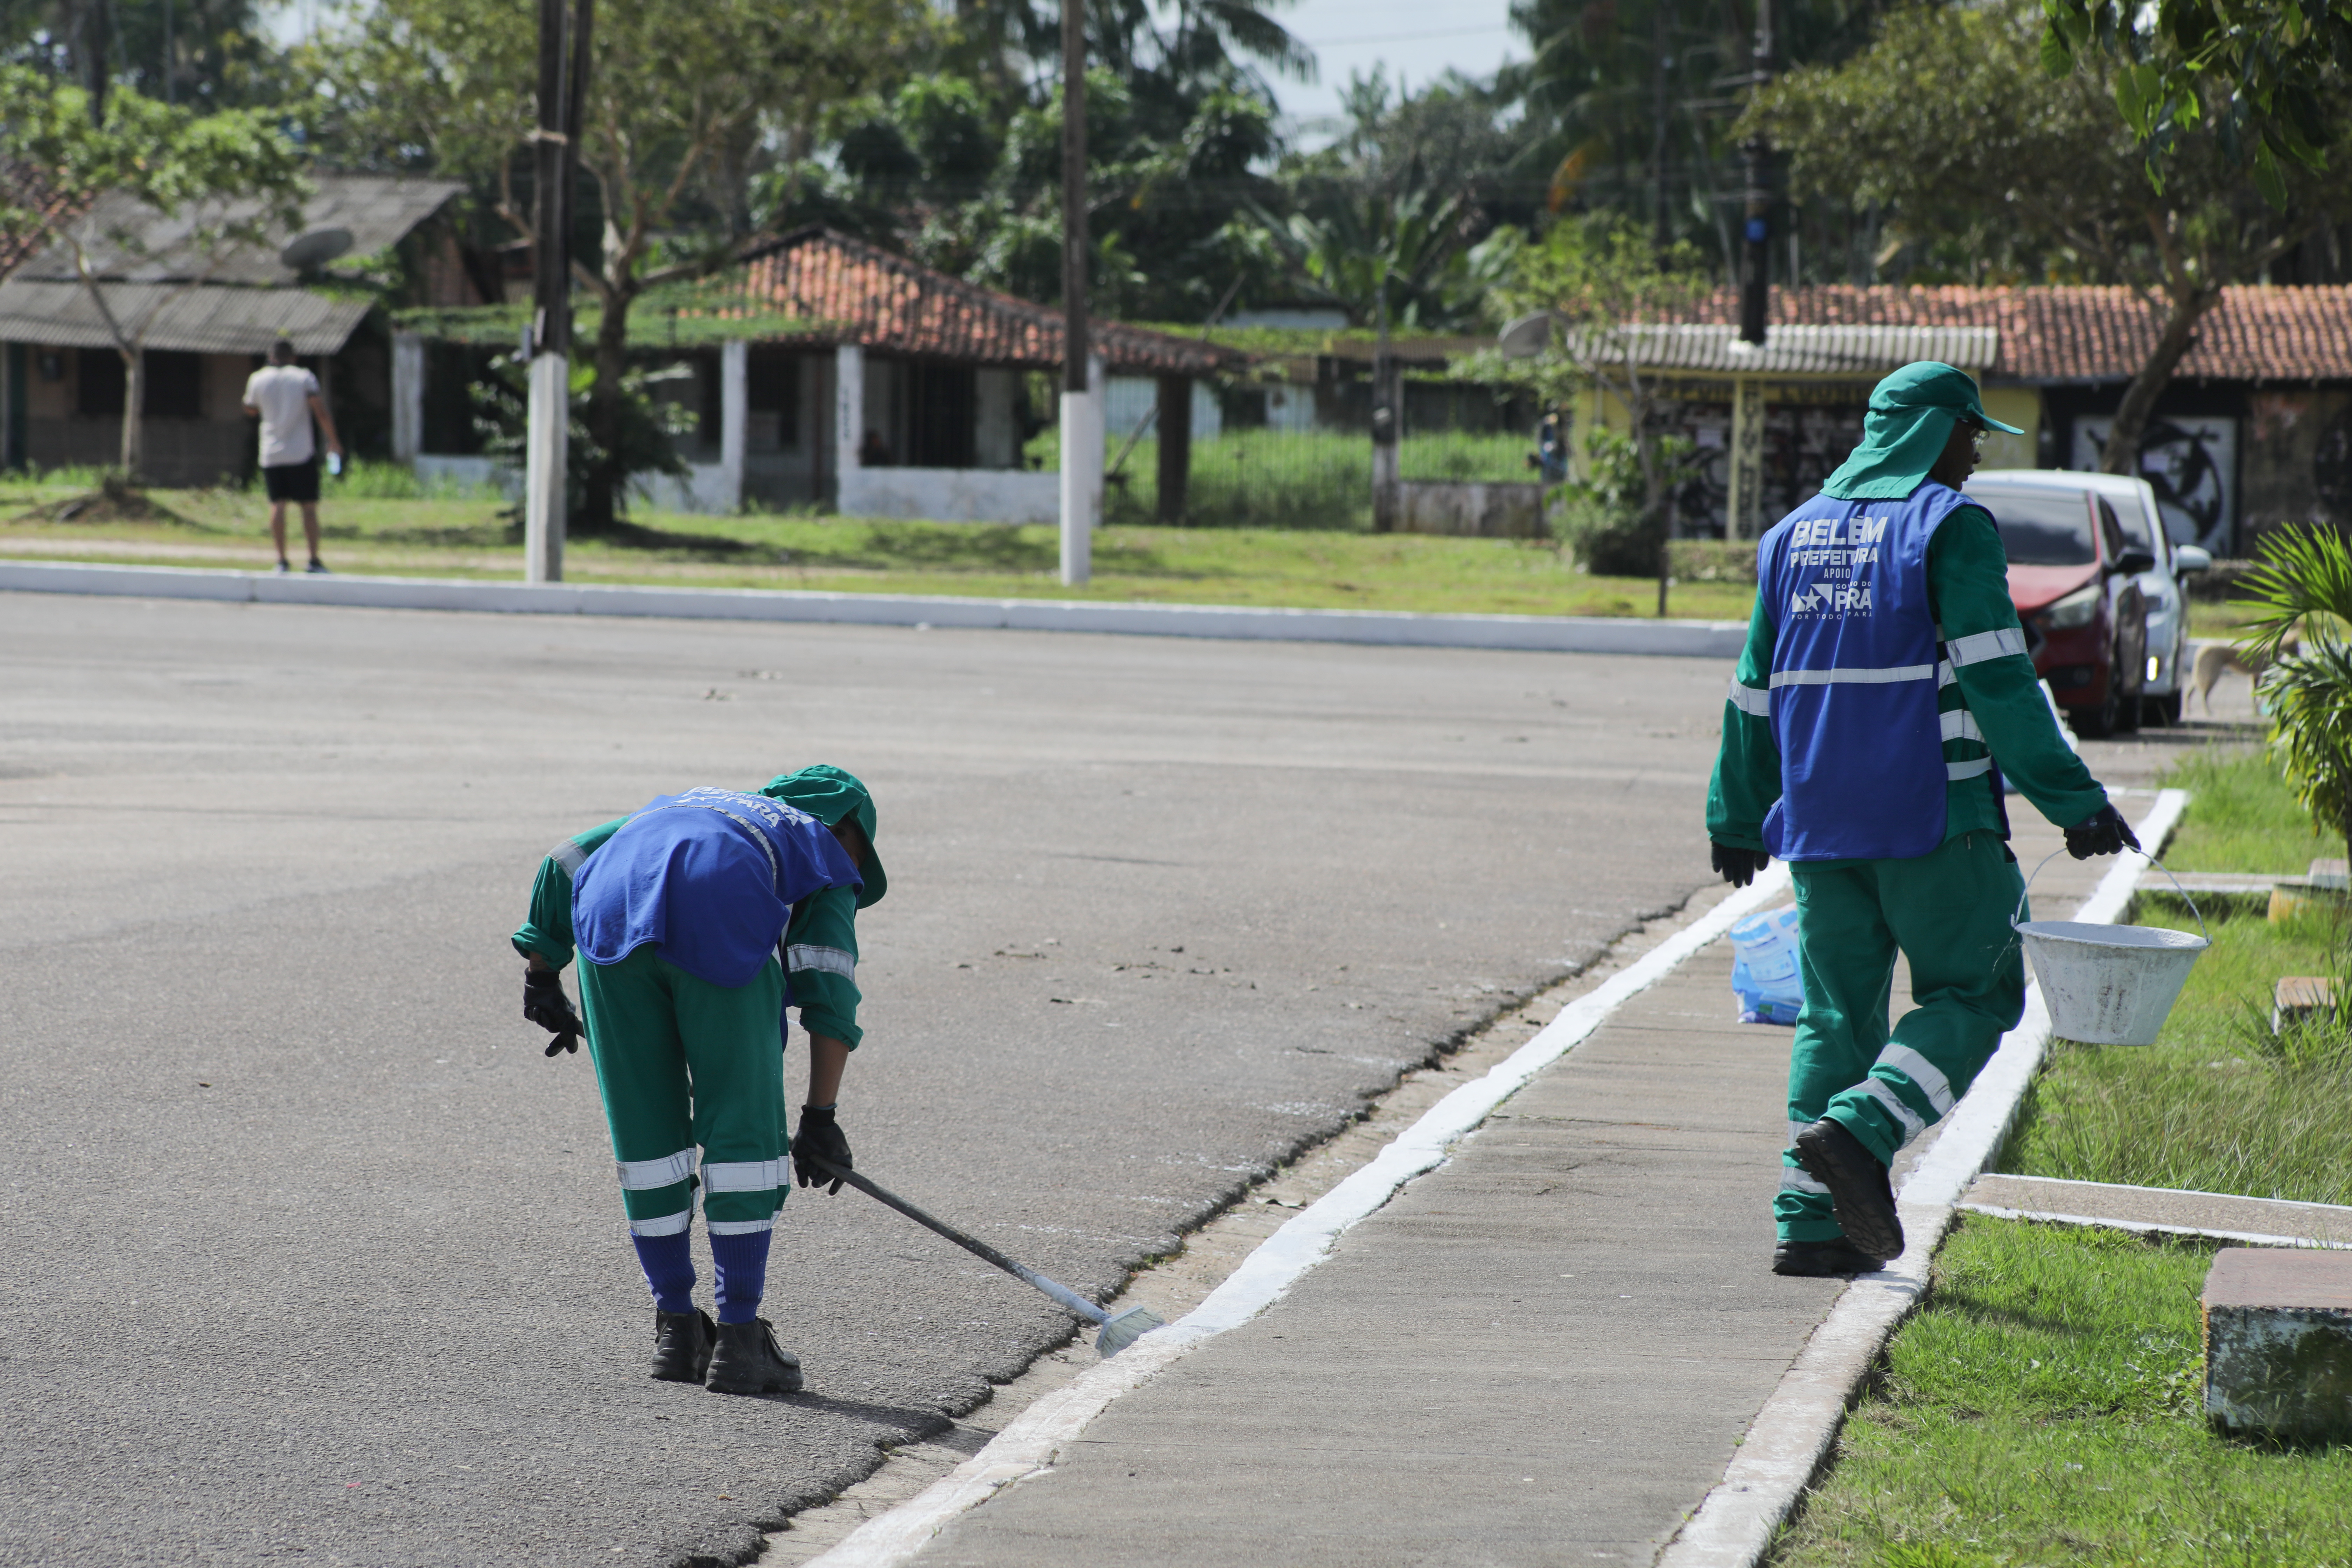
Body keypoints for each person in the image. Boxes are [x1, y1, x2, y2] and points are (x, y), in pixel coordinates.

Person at [1706, 362, 2141, 1279]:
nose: (1976, 454)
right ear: (1931, 433)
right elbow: (1998, 683)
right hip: (1934, 820)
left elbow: (1752, 693)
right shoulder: (1951, 529)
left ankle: (1810, 1220)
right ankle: (1862, 1133)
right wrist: (2076, 804)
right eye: (1970, 434)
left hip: (1821, 827)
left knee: (1836, 1014)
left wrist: (1737, 813)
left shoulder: (1790, 538)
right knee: (1978, 997)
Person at [512, 765, 887, 1394]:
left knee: (647, 1137)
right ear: (848, 829)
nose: (856, 868)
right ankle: (740, 1341)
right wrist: (820, 1116)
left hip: (612, 919)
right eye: (862, 852)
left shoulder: (696, 806)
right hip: (721, 916)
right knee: (743, 1133)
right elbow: (830, 995)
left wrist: (543, 972)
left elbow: (564, 860)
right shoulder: (819, 848)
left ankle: (677, 1330)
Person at [241, 339, 343, 574]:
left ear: (270, 356)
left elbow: (250, 408)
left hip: (271, 452)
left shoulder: (258, 379)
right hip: (301, 452)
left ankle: (281, 560)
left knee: (277, 505)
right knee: (308, 507)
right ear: (294, 358)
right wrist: (334, 441)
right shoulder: (303, 377)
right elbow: (320, 411)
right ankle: (314, 560)